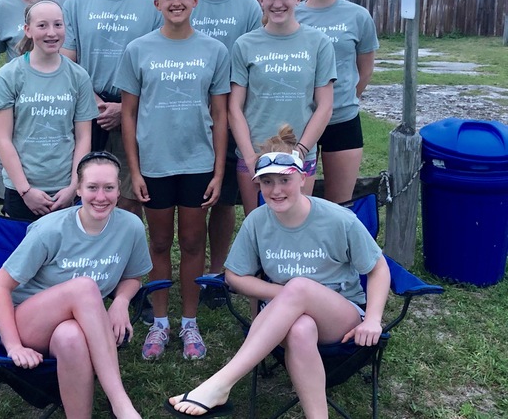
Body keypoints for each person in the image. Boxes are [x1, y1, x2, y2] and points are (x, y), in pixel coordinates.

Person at [165, 125, 391, 418]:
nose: (276, 190)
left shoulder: (338, 219)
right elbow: (234, 276)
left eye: (284, 180)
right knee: (300, 327)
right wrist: (285, 294)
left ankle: (222, 383)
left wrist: (373, 319)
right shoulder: (258, 221)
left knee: (299, 287)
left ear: (303, 177)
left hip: (341, 316)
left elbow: (378, 268)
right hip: (285, 320)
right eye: (267, 182)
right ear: (258, 185)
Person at [116, 0, 230, 361]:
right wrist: (134, 169)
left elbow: (220, 114)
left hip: (198, 163)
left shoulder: (214, 50)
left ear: (195, 1)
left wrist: (218, 171)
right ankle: (160, 323)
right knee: (160, 242)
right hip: (155, 164)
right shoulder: (137, 49)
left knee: (194, 241)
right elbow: (128, 113)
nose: (176, 1)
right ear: (156, 3)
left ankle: (190, 323)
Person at [0, 151, 152, 419]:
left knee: (71, 337)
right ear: (78, 189)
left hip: (80, 325)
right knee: (84, 287)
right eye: (92, 187)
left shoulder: (130, 227)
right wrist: (13, 346)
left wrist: (121, 302)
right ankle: (121, 403)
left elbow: (133, 276)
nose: (101, 197)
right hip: (28, 324)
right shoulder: (50, 230)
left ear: (118, 189)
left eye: (109, 188)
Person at [61, 0, 162, 218]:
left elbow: (156, 68)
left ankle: (123, 260)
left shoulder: (152, 6)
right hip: (86, 109)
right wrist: (93, 101)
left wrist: (125, 107)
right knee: (86, 191)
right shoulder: (76, 3)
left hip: (132, 109)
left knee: (128, 196)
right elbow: (67, 61)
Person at [229, 0, 336, 216]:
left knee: (298, 225)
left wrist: (299, 152)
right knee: (259, 226)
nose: (277, 3)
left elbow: (324, 105)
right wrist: (249, 157)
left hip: (300, 155)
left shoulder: (318, 43)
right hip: (255, 154)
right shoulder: (244, 45)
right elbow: (234, 107)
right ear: (261, 0)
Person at [189, 0, 263, 280]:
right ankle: (190, 269)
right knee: (192, 200)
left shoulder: (247, 7)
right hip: (187, 115)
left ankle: (216, 272)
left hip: (232, 116)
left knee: (222, 200)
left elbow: (253, 62)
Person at [0, 0, 97, 221]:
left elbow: (84, 137)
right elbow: (2, 139)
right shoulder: (9, 75)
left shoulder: (78, 76)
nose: (51, 32)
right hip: (23, 189)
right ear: (28, 30)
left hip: (64, 190)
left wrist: (73, 187)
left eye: (58, 24)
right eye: (42, 25)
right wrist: (25, 191)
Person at [296, 0, 379, 204]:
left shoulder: (358, 16)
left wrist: (339, 100)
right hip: (299, 120)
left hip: (343, 120)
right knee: (295, 202)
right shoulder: (291, 15)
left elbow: (364, 70)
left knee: (340, 206)